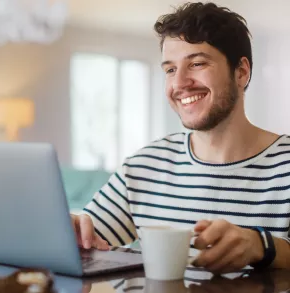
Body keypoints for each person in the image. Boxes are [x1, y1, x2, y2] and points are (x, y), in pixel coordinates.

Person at [70, 2, 290, 274]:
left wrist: (263, 246)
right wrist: (70, 232)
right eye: (170, 69)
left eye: (197, 63)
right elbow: (87, 241)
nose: (179, 83)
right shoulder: (143, 166)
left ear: (241, 72)